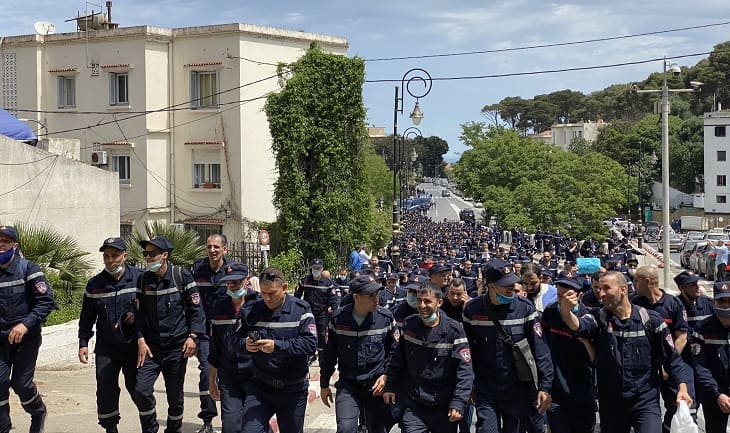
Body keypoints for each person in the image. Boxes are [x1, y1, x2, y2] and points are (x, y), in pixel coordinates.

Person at [559, 271, 692, 433]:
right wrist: (566, 312)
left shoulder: (650, 320)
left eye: (606, 288)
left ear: (623, 290)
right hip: (612, 403)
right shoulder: (598, 318)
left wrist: (683, 389)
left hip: (645, 400)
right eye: (599, 289)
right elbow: (580, 326)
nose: (601, 294)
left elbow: (672, 359)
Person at [462, 259, 553, 433]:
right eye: (505, 285)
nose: (511, 287)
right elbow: (467, 352)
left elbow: (540, 350)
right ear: (490, 286)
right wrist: (468, 385)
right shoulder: (473, 310)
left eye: (513, 282)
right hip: (486, 389)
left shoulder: (525, 308)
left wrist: (545, 387)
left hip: (517, 389)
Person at [134, 236, 206, 433]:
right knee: (141, 390)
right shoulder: (143, 280)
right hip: (151, 348)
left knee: (175, 396)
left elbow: (196, 310)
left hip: (176, 348)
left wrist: (193, 337)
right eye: (145, 254)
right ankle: (150, 429)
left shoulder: (181, 275)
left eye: (152, 254)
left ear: (164, 255)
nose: (148, 257)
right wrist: (140, 339)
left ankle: (174, 429)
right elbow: (139, 315)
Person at [383, 281, 473, 433]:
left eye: (427, 301)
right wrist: (390, 385)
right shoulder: (409, 326)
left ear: (439, 302)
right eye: (419, 301)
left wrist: (458, 402)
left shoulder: (454, 331)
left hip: (443, 407)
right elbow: (398, 360)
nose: (422, 306)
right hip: (414, 406)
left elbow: (464, 370)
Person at [238, 267, 317, 433]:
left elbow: (310, 344)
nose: (267, 298)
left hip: (292, 388)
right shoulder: (253, 309)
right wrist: (244, 344)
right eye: (264, 293)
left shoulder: (301, 310)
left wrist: (277, 346)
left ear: (284, 287)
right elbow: (233, 340)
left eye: (272, 293)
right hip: (260, 387)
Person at [78, 237, 144, 433]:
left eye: (114, 255)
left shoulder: (141, 279)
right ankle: (110, 428)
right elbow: (86, 317)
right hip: (107, 348)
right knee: (106, 388)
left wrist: (138, 317)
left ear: (125, 256)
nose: (109, 260)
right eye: (106, 256)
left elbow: (151, 310)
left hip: (133, 346)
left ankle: (149, 424)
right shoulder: (94, 285)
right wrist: (83, 342)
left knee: (139, 389)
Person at [320, 275, 398, 433]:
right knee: (346, 428)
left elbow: (394, 352)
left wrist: (386, 376)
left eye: (377, 294)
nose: (376, 299)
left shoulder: (385, 318)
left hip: (376, 385)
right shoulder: (338, 319)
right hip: (349, 385)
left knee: (379, 429)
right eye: (371, 296)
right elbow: (329, 355)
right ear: (356, 297)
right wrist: (324, 384)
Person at [0, 225, 55, 433]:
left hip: (26, 339)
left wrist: (25, 324)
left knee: (21, 384)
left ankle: (38, 411)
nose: (1, 245)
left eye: (5, 241)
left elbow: (45, 302)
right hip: (1, 340)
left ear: (15, 245)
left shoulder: (29, 269)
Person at [632, 265, 690, 433]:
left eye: (636, 280)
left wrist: (667, 363)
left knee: (674, 404)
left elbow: (682, 337)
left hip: (668, 366)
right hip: (644, 367)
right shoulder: (635, 303)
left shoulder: (673, 304)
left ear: (647, 281)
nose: (633, 284)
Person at [539, 272, 596, 433]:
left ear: (580, 295)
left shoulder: (588, 315)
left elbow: (581, 329)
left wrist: (566, 312)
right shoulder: (550, 312)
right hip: (557, 388)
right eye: (559, 296)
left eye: (567, 295)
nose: (562, 300)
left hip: (583, 389)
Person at [208, 263, 259, 433]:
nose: (232, 286)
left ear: (246, 280)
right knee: (230, 425)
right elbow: (215, 348)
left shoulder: (260, 304)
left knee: (254, 426)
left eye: (236, 282)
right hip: (229, 376)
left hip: (256, 376)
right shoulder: (219, 308)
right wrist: (211, 380)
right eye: (229, 283)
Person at [191, 234, 232, 433]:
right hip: (205, 332)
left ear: (225, 249)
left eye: (216, 246)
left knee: (227, 375)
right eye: (209, 246)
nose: (212, 250)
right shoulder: (197, 269)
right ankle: (207, 420)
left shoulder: (232, 271)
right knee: (206, 372)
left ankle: (229, 420)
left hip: (228, 332)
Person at [691, 281, 730, 432]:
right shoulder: (703, 328)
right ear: (714, 302)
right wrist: (717, 394)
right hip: (714, 393)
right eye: (721, 301)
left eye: (729, 300)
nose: (726, 305)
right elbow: (700, 366)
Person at [294, 258, 339, 364]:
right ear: (311, 268)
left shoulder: (328, 283)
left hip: (322, 313)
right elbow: (297, 295)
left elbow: (333, 299)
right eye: (314, 268)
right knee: (307, 333)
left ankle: (322, 356)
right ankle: (310, 354)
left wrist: (333, 309)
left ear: (322, 269)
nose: (316, 270)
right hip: (308, 312)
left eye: (318, 268)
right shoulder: (305, 281)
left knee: (322, 334)